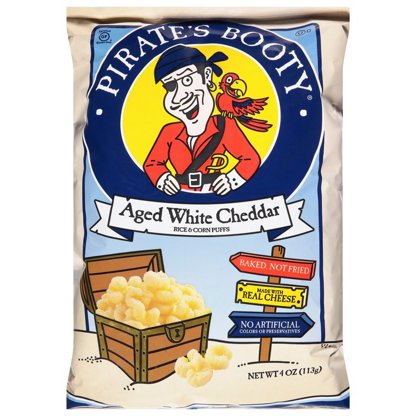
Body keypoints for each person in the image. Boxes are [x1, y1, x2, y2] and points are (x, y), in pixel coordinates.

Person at [144, 44, 260, 195]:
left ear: (207, 75)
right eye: (170, 87)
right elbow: (152, 163)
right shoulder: (169, 131)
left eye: (187, 80)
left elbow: (250, 159)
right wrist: (163, 178)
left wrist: (231, 180)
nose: (179, 96)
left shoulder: (224, 125)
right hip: (179, 196)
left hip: (214, 193)